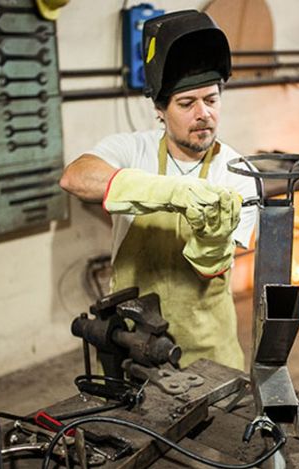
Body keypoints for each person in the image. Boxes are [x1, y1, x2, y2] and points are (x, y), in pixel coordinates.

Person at [59, 10, 257, 371]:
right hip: (132, 346)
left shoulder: (239, 173)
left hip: (208, 353)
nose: (203, 114)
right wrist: (171, 191)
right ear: (160, 111)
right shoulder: (134, 150)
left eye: (211, 100)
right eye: (186, 103)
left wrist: (211, 242)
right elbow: (75, 178)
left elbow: (212, 270)